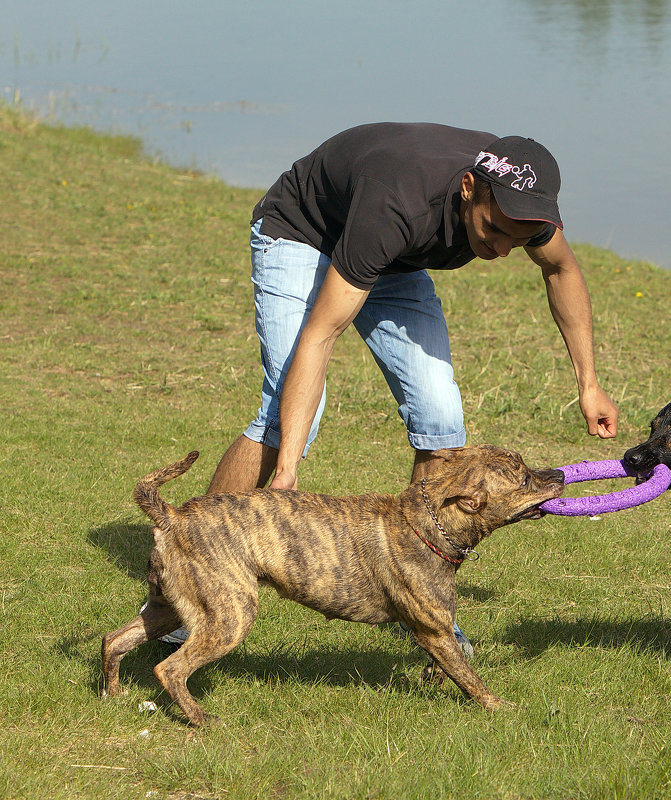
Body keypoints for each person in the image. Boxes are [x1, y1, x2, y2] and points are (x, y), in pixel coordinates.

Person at [157, 123, 618, 650]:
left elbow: (561, 271)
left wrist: (588, 384)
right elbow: (321, 335)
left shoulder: (522, 201)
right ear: (469, 188)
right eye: (494, 230)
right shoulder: (398, 202)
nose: (503, 249)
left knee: (441, 418)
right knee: (281, 421)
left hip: (393, 260)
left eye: (519, 238)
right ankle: (191, 582)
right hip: (306, 233)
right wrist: (287, 471)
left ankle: (421, 605)